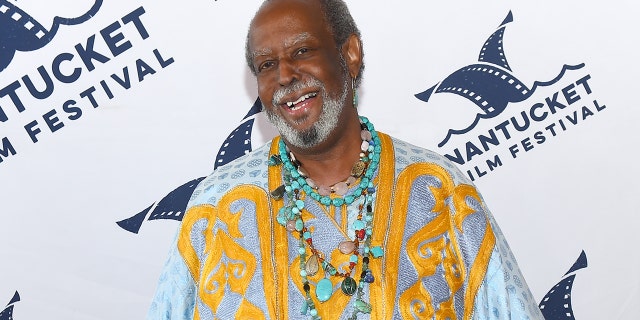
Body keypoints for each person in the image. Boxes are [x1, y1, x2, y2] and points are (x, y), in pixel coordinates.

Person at [147, 0, 544, 319]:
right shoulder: (215, 207)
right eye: (267, 65)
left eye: (302, 51)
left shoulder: (439, 190)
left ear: (350, 54)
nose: (285, 76)